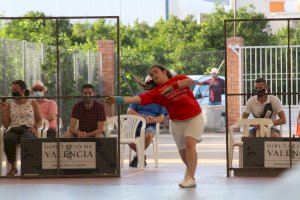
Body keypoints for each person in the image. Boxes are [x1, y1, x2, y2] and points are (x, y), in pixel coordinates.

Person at [105, 64, 204, 188]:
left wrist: (173, 87)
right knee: (183, 152)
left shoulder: (178, 78)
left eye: (156, 72)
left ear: (164, 71)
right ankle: (189, 172)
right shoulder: (157, 93)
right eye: (151, 75)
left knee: (190, 144)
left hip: (194, 117)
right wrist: (117, 99)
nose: (154, 75)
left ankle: (191, 177)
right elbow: (135, 99)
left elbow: (190, 81)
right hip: (177, 122)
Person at [0, 80, 42, 176]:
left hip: (28, 128)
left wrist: (35, 127)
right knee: (8, 139)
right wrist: (3, 110)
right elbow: (6, 125)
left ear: (23, 90)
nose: (13, 92)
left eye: (16, 90)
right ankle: (13, 168)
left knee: (27, 138)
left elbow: (39, 120)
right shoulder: (10, 104)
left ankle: (28, 168)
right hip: (14, 129)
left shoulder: (32, 102)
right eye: (12, 90)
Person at [127, 75, 167, 167]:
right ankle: (141, 156)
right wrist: (142, 117)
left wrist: (151, 119)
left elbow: (161, 118)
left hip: (149, 126)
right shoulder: (139, 96)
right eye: (147, 83)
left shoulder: (161, 99)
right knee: (125, 136)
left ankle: (138, 156)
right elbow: (130, 111)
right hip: (135, 125)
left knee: (149, 135)